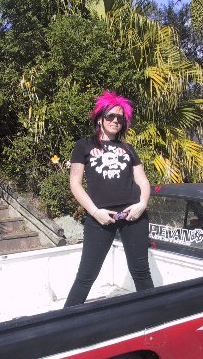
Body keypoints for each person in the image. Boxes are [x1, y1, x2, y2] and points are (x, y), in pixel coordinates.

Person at [64, 90, 154, 307]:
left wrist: (142, 205)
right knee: (86, 275)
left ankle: (154, 316)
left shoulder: (128, 149)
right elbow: (75, 183)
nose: (115, 121)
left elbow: (143, 182)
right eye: (110, 116)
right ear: (100, 118)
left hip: (134, 215)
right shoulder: (84, 145)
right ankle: (64, 320)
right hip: (100, 217)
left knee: (141, 271)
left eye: (120, 118)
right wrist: (95, 212)